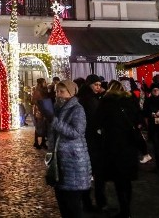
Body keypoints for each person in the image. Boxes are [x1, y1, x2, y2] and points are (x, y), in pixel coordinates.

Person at [96, 80, 141, 218]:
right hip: (130, 145)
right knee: (126, 180)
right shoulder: (131, 100)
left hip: (114, 145)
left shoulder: (106, 102)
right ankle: (127, 209)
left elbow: (98, 121)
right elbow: (139, 119)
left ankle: (124, 210)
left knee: (119, 180)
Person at [49, 79, 91, 218]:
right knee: (63, 204)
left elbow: (76, 132)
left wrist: (54, 122)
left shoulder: (77, 109)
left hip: (73, 162)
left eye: (62, 92)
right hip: (59, 162)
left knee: (72, 206)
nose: (58, 94)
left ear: (71, 93)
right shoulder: (56, 108)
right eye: (57, 91)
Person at [76, 74, 106, 212]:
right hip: (91, 141)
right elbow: (95, 119)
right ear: (90, 85)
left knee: (89, 173)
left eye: (99, 85)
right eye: (96, 85)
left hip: (89, 141)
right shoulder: (89, 100)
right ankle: (95, 202)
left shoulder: (87, 98)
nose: (98, 88)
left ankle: (89, 201)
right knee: (94, 173)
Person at [32, 78, 48, 149]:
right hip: (39, 111)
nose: (45, 83)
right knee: (39, 126)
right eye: (44, 82)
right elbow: (34, 101)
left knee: (44, 126)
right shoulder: (37, 91)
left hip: (43, 110)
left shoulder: (44, 90)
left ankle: (43, 142)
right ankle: (37, 142)